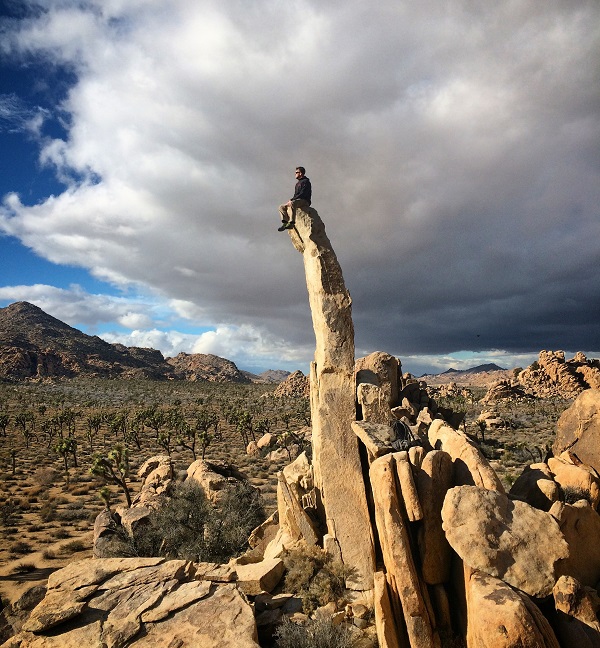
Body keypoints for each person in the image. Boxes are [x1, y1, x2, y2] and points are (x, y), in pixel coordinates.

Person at [278, 166, 312, 231]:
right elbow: (296, 195)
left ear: (301, 173)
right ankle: (285, 222)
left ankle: (292, 223)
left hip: (305, 201)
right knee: (281, 207)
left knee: (293, 203)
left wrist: (292, 200)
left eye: (297, 172)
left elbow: (303, 193)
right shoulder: (298, 183)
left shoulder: (306, 182)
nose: (295, 174)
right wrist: (291, 200)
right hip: (297, 200)